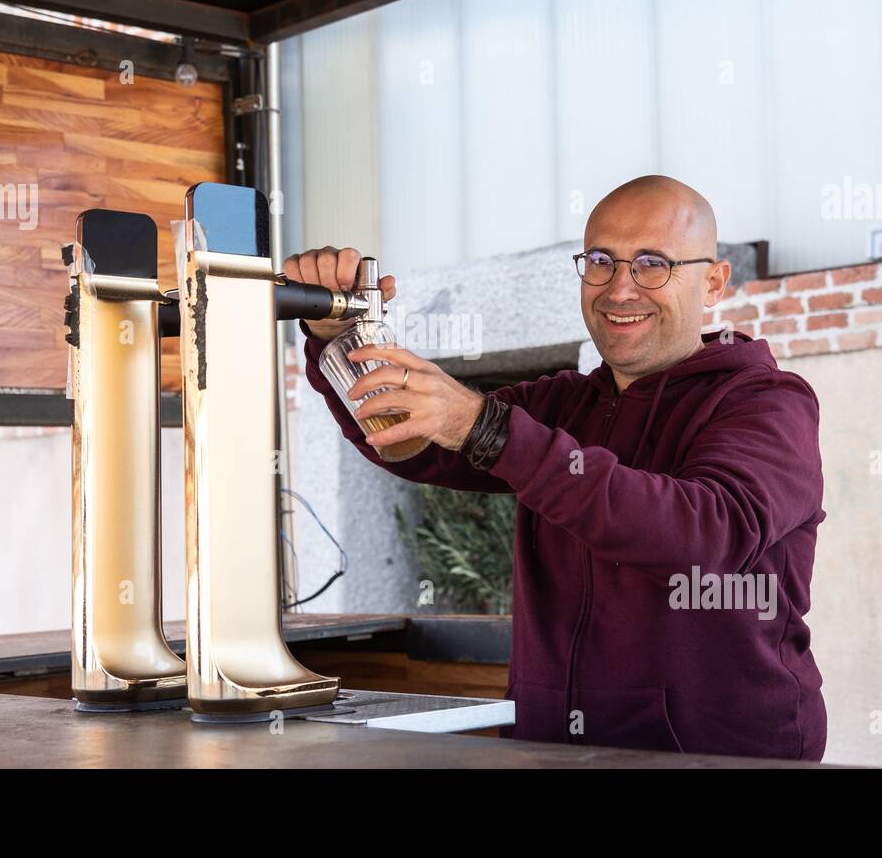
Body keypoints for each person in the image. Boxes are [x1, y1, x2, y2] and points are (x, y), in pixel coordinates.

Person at [284, 175, 827, 761]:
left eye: (652, 263)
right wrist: (339, 332)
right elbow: (407, 442)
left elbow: (705, 535)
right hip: (551, 748)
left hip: (722, 755)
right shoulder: (563, 404)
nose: (621, 288)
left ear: (714, 281)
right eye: (601, 261)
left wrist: (487, 428)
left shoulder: (767, 402)